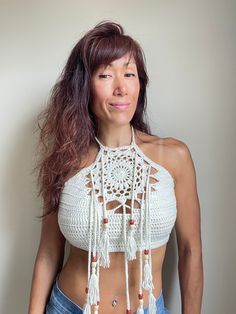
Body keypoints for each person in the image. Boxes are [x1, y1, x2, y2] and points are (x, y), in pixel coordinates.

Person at [28, 20, 203, 314]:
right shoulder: (65, 159)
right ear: (84, 86)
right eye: (106, 75)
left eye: (130, 74)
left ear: (140, 84)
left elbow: (191, 250)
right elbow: (48, 253)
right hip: (69, 307)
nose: (121, 88)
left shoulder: (174, 157)